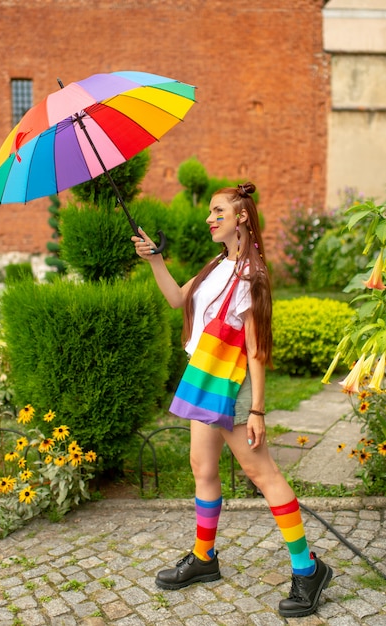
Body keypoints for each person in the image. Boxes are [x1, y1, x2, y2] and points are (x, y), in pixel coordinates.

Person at [132, 182, 333, 619]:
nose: (209, 217)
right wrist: (156, 261)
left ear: (242, 216)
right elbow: (176, 299)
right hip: (203, 376)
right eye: (209, 211)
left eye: (217, 210)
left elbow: (257, 349)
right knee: (201, 468)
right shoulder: (215, 265)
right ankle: (204, 559)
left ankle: (308, 568)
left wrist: (258, 409)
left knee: (261, 472)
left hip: (234, 381)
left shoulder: (251, 275)